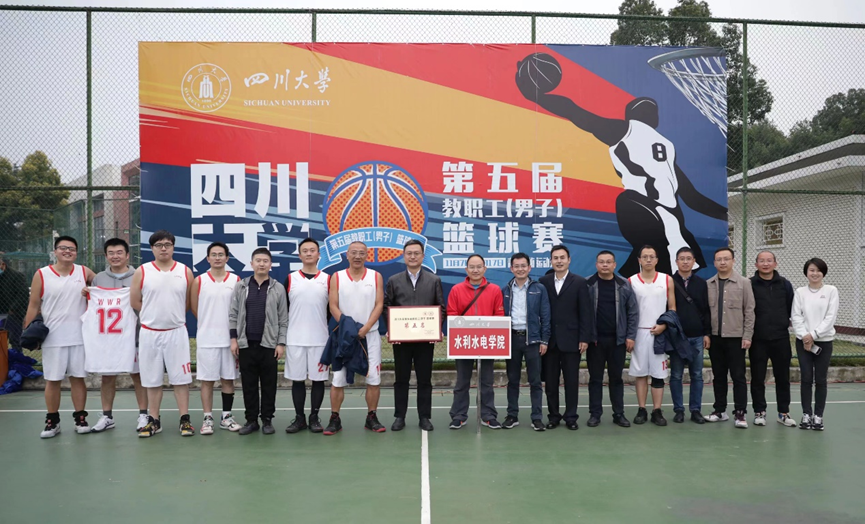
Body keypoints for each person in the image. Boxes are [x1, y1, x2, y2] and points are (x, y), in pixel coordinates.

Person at [515, 54, 727, 277]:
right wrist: (723, 213)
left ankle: (613, 285)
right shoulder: (666, 147)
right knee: (655, 266)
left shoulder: (625, 130)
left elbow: (576, 112)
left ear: (629, 117)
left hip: (641, 208)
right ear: (654, 119)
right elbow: (694, 198)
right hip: (668, 216)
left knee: (648, 263)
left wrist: (536, 96)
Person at [24, 236, 95, 438]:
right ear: (55, 251)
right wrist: (28, 331)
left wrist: (90, 291)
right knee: (53, 380)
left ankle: (80, 418)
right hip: (52, 337)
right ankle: (52, 421)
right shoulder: (42, 274)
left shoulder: (84, 272)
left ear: (76, 253)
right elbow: (34, 304)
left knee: (78, 379)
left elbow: (103, 288)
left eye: (72, 249)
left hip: (79, 337)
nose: (67, 251)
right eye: (63, 248)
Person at [131, 230, 195, 438]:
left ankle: (184, 419)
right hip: (150, 334)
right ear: (152, 248)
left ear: (173, 247)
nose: (163, 248)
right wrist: (153, 316)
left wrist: (171, 317)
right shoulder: (142, 271)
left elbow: (188, 302)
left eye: (167, 244)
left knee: (181, 379)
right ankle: (154, 420)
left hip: (176, 333)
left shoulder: (185, 271)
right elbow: (135, 301)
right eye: (158, 245)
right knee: (152, 380)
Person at [87, 238, 149, 433]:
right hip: (109, 338)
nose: (115, 256)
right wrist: (87, 294)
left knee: (138, 375)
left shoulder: (140, 275)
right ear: (106, 256)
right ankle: (107, 416)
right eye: (111, 253)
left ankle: (144, 414)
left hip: (135, 335)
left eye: (119, 252)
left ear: (127, 255)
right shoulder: (99, 279)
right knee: (107, 376)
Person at [325, 241, 385, 435]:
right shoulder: (337, 277)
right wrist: (349, 328)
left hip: (370, 335)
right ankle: (335, 418)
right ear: (347, 255)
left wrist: (366, 328)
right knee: (338, 379)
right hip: (345, 336)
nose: (357, 256)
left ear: (367, 255)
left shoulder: (376, 276)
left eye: (361, 253)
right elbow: (333, 305)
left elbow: (379, 304)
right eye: (354, 253)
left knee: (373, 378)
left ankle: (371, 417)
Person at [384, 239, 444, 432]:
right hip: (401, 339)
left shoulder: (434, 280)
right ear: (404, 256)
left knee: (424, 379)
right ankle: (399, 416)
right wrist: (392, 328)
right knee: (401, 379)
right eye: (409, 253)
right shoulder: (394, 280)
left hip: (425, 339)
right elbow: (387, 306)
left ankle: (424, 417)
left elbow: (441, 308)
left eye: (416, 253)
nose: (412, 256)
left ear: (423, 256)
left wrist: (436, 328)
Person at [229, 247, 288, 435]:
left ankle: (267, 420)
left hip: (269, 345)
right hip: (246, 344)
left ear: (270, 265)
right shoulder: (241, 286)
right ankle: (251, 420)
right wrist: (234, 339)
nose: (261, 264)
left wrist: (281, 343)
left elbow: (283, 319)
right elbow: (233, 314)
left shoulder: (278, 288)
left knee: (269, 385)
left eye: (265, 261)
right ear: (252, 263)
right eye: (258, 261)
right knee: (249, 385)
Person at [447, 253, 504, 430]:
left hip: (486, 342)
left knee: (486, 381)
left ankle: (488, 415)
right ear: (466, 269)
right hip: (464, 341)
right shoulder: (456, 290)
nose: (475, 270)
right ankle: (458, 415)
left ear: (485, 269)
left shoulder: (494, 290)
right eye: (472, 267)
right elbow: (451, 314)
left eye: (479, 267)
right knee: (462, 381)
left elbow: (499, 315)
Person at [191, 242, 242, 434]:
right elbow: (194, 307)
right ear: (208, 258)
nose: (217, 258)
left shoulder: (236, 280)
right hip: (207, 340)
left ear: (227, 258)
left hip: (229, 340)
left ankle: (226, 417)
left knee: (228, 379)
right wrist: (208, 323)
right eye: (214, 254)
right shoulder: (200, 281)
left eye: (221, 254)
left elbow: (239, 310)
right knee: (207, 381)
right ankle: (207, 418)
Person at [539, 245, 592, 430]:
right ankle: (553, 416)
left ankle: (571, 417)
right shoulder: (543, 281)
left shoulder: (579, 282)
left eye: (562, 257)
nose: (559, 261)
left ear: (569, 260)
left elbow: (585, 312)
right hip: (550, 342)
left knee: (571, 382)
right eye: (555, 258)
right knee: (551, 383)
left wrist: (584, 338)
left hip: (572, 340)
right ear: (551, 261)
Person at [585, 250, 638, 428]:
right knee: (595, 379)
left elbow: (633, 312)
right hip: (595, 341)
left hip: (618, 341)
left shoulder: (624, 285)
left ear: (614, 265)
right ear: (596, 264)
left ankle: (619, 414)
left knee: (616, 379)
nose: (605, 265)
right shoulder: (588, 284)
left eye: (608, 262)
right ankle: (595, 414)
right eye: (601, 262)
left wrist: (630, 336)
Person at [284, 238, 330, 434]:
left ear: (319, 254)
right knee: (297, 380)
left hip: (319, 338)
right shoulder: (290, 278)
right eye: (305, 250)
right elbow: (284, 309)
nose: (309, 253)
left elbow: (331, 309)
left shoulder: (327, 279)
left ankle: (314, 417)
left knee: (318, 380)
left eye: (312, 250)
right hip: (295, 338)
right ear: (299, 255)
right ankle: (299, 418)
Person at [705, 247, 755, 429]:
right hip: (715, 338)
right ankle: (719, 410)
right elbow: (705, 312)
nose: (723, 262)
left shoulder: (744, 283)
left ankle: (740, 412)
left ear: (733, 261)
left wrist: (747, 335)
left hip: (736, 337)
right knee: (718, 376)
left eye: (726, 259)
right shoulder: (709, 284)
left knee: (738, 376)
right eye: (719, 259)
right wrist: (706, 334)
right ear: (714, 262)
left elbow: (749, 310)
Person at [501, 253, 550, 431]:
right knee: (512, 380)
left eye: (523, 266)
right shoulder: (505, 290)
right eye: (517, 266)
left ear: (529, 268)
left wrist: (544, 340)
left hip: (533, 340)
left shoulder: (539, 289)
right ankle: (512, 415)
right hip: (512, 339)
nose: (520, 269)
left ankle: (537, 417)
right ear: (511, 268)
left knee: (535, 381)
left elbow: (546, 316)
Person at [627, 245, 675, 426]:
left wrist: (664, 325)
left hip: (659, 333)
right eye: (644, 256)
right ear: (639, 260)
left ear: (657, 260)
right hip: (639, 333)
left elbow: (672, 308)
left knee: (658, 374)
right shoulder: (631, 281)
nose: (648, 259)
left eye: (651, 256)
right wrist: (630, 335)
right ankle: (642, 409)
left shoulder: (666, 279)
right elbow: (628, 310)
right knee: (640, 374)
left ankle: (657, 410)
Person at [749, 251, 797, 427]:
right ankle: (759, 412)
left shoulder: (785, 284)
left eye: (769, 261)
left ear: (775, 264)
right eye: (762, 261)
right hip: (757, 339)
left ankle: (783, 413)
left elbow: (791, 308)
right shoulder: (749, 284)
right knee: (757, 378)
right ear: (756, 264)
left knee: (783, 378)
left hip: (780, 338)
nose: (765, 264)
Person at [791, 258, 839, 431]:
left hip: (824, 342)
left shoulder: (831, 291)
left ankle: (818, 416)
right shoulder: (800, 292)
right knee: (805, 378)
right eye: (811, 270)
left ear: (823, 273)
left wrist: (813, 335)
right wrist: (805, 336)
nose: (815, 273)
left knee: (820, 379)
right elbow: (796, 316)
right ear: (806, 272)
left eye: (818, 270)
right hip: (803, 343)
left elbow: (830, 317)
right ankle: (806, 414)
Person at [670, 247, 711, 424]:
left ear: (694, 261)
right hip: (677, 337)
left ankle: (695, 410)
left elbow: (706, 310)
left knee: (696, 375)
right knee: (676, 375)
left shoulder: (702, 284)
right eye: (682, 258)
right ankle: (678, 410)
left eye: (688, 258)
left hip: (697, 337)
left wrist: (706, 333)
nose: (685, 262)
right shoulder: (669, 282)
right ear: (676, 261)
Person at [0, 252, 29, 348]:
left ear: (3, 264)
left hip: (14, 314)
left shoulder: (17, 276)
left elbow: (23, 294)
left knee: (15, 340)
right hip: (1, 312)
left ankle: (17, 355)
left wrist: (13, 309)